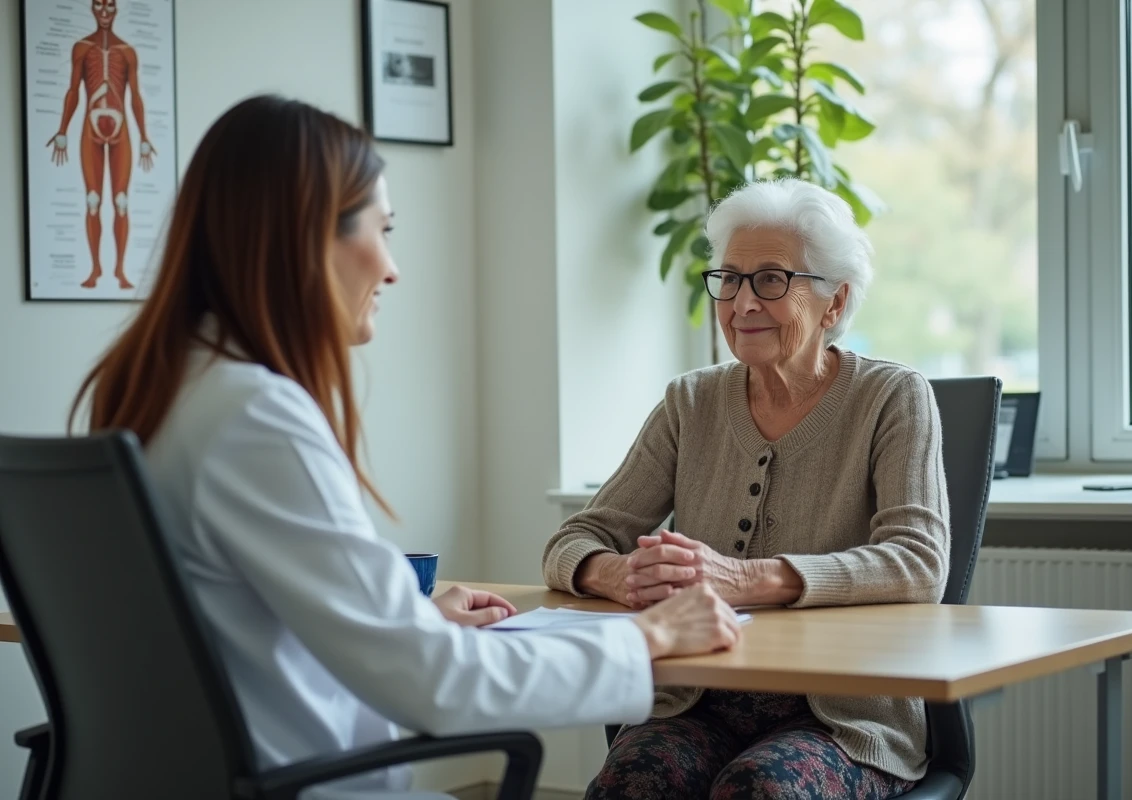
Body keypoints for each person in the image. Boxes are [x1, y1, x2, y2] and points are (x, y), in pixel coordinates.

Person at [69, 94, 742, 800]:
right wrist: (648, 637)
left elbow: (232, 613)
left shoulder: (159, 388)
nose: (391, 269)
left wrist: (404, 618)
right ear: (307, 237)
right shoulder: (255, 418)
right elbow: (437, 685)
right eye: (381, 230)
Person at [542, 179, 950, 800]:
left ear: (835, 302)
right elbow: (574, 540)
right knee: (634, 781)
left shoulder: (893, 397)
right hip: (696, 700)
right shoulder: (690, 401)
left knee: (762, 788)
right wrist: (618, 574)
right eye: (729, 279)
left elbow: (918, 562)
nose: (742, 302)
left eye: (771, 280)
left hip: (840, 715)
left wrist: (745, 577)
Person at [48, 0, 156, 290]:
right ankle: (95, 269)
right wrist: (62, 129)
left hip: (121, 130)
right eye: (99, 6)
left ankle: (120, 271)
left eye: (110, 6)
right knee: (93, 200)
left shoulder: (128, 52)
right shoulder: (82, 48)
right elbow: (73, 90)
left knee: (121, 202)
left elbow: (135, 97)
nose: (105, 12)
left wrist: (144, 136)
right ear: (92, 10)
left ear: (116, 9)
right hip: (90, 127)